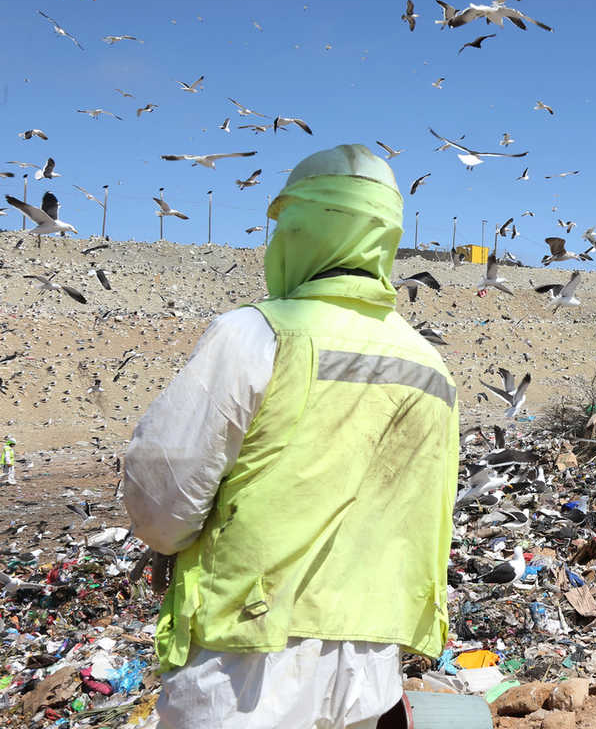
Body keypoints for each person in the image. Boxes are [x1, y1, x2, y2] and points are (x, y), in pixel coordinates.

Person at [123, 145, 460, 729]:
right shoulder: (432, 369)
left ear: (303, 228)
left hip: (248, 663)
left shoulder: (258, 334)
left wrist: (167, 544)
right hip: (370, 668)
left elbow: (164, 488)